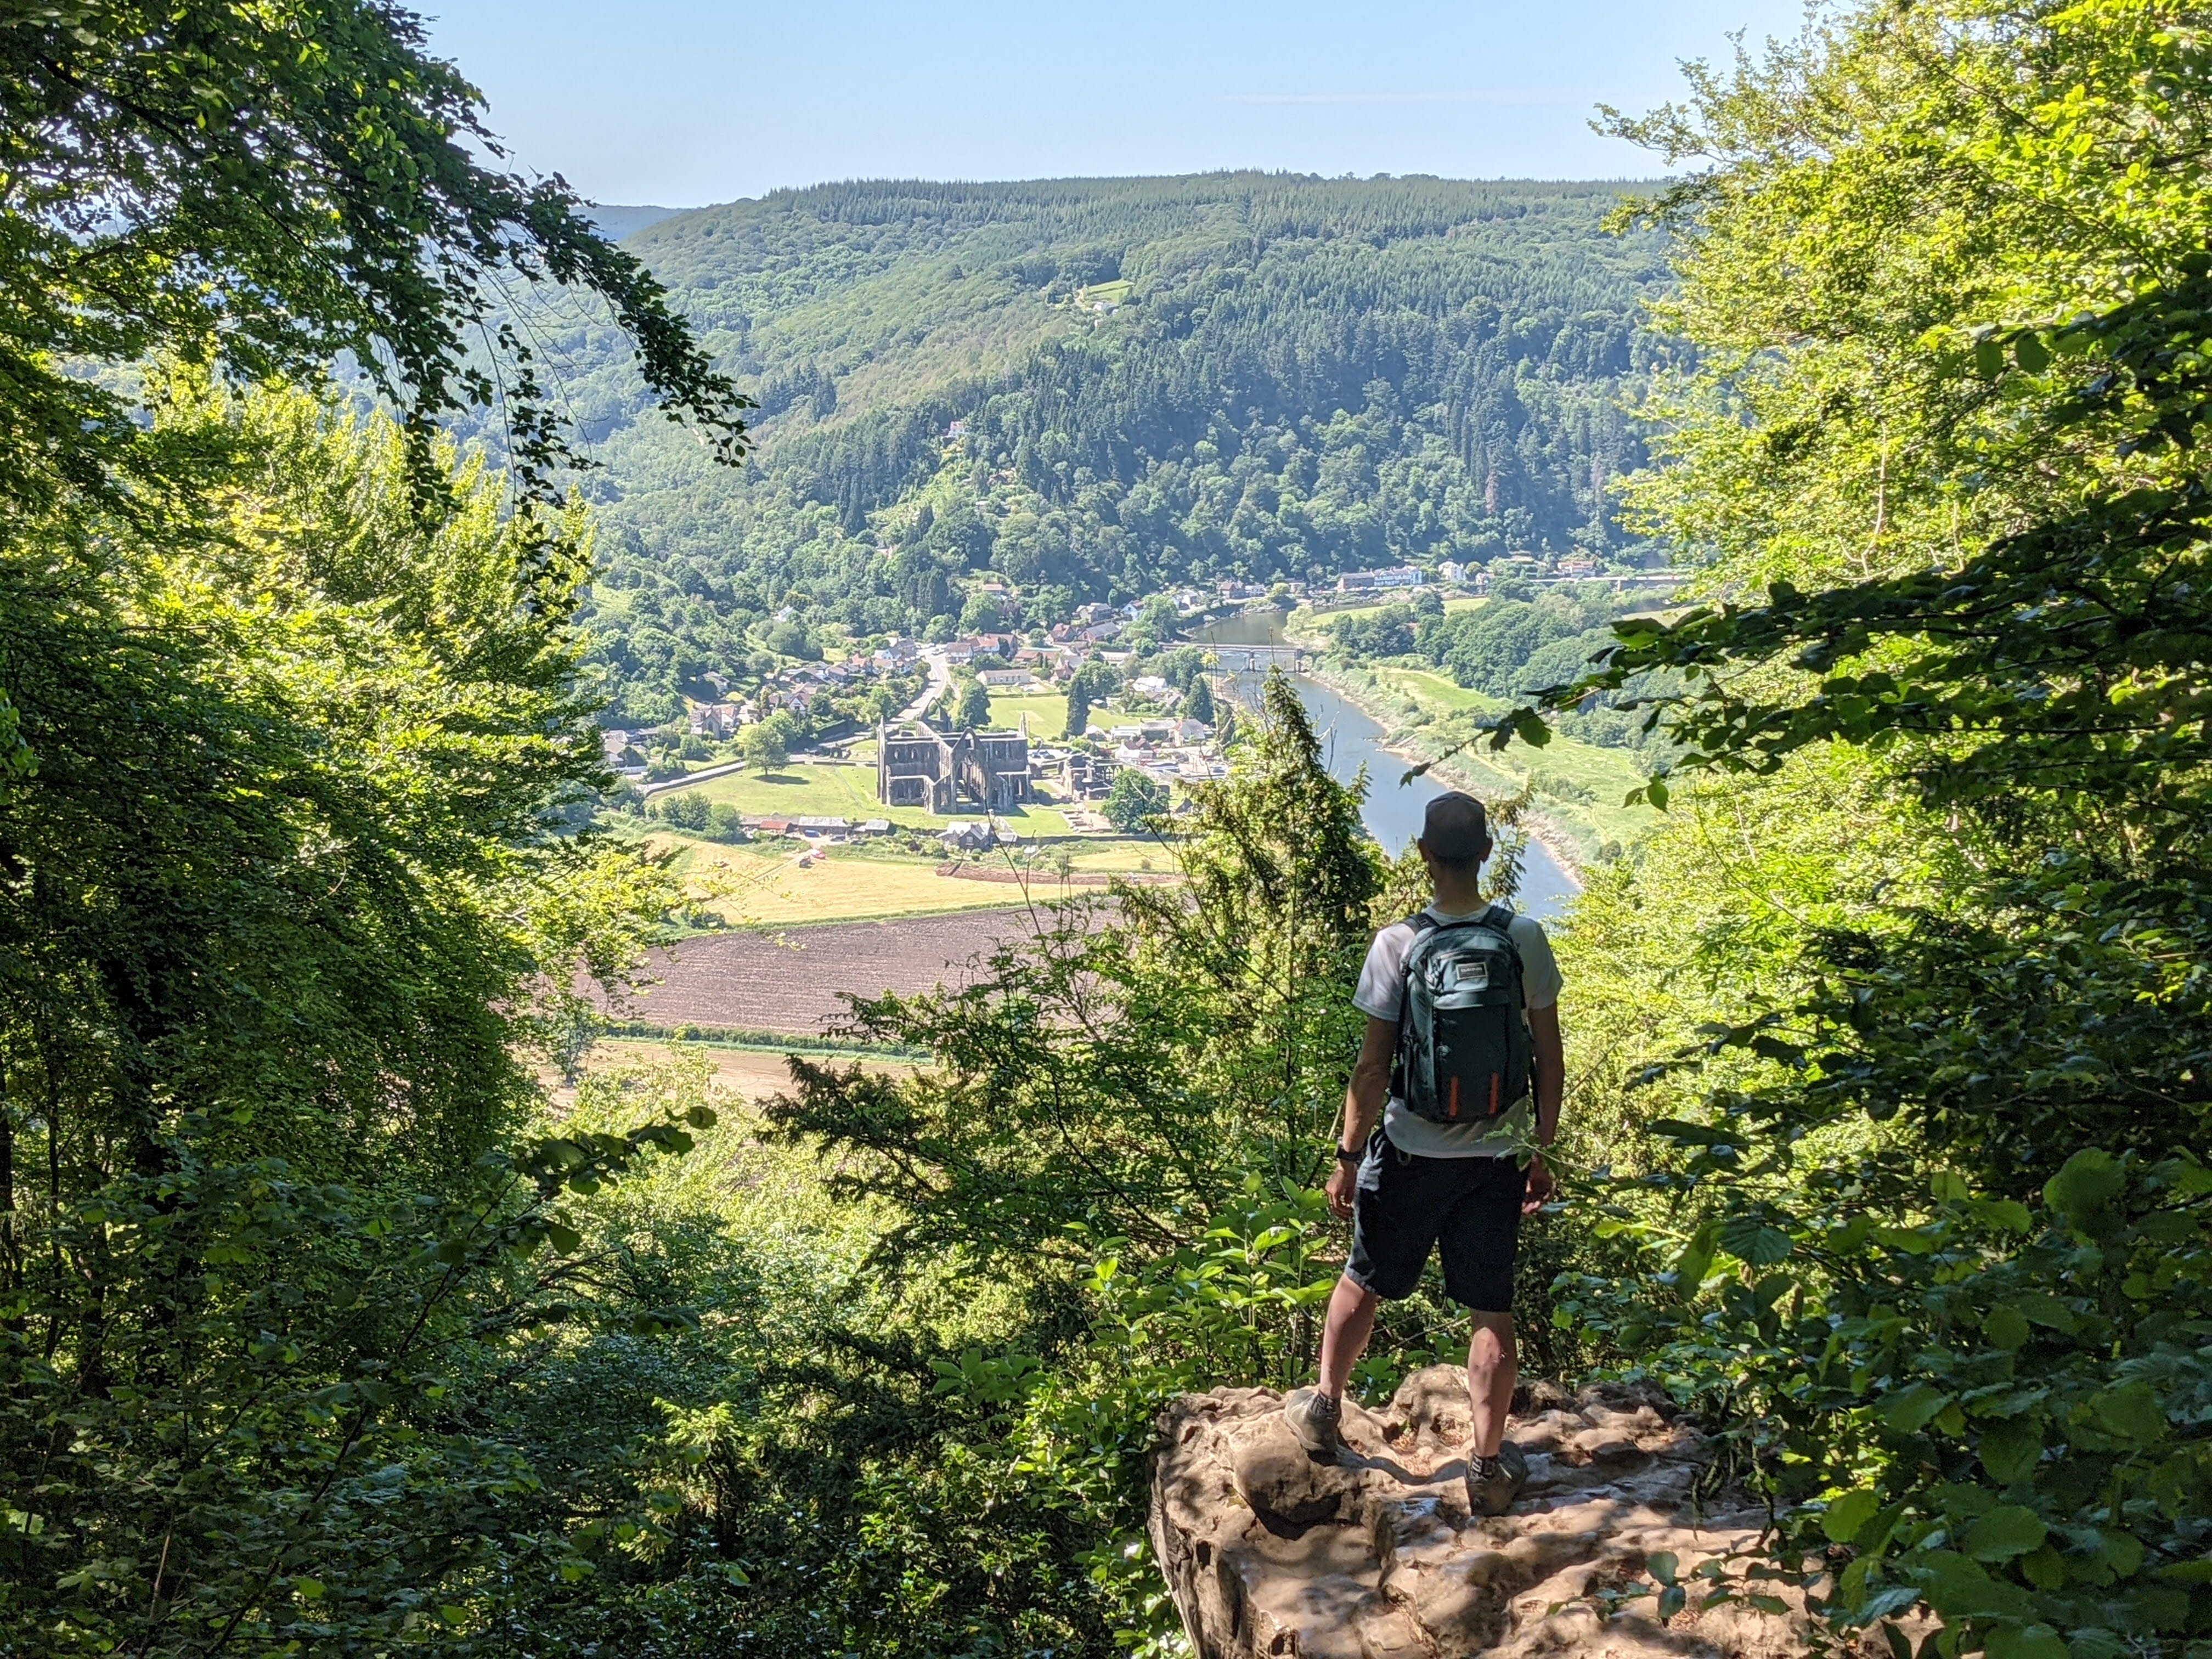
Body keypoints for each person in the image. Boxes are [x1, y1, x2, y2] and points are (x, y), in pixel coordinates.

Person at [1283, 791, 1564, 1517]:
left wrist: (1346, 1157)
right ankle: (1488, 1467)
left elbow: (1372, 1068)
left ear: (1424, 856)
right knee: (1490, 1311)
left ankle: (1322, 1411)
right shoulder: (1523, 936)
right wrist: (1540, 1148)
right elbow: (1549, 1058)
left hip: (1408, 1150)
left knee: (1363, 1277)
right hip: (1496, 1157)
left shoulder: (1397, 945)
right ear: (1488, 855)